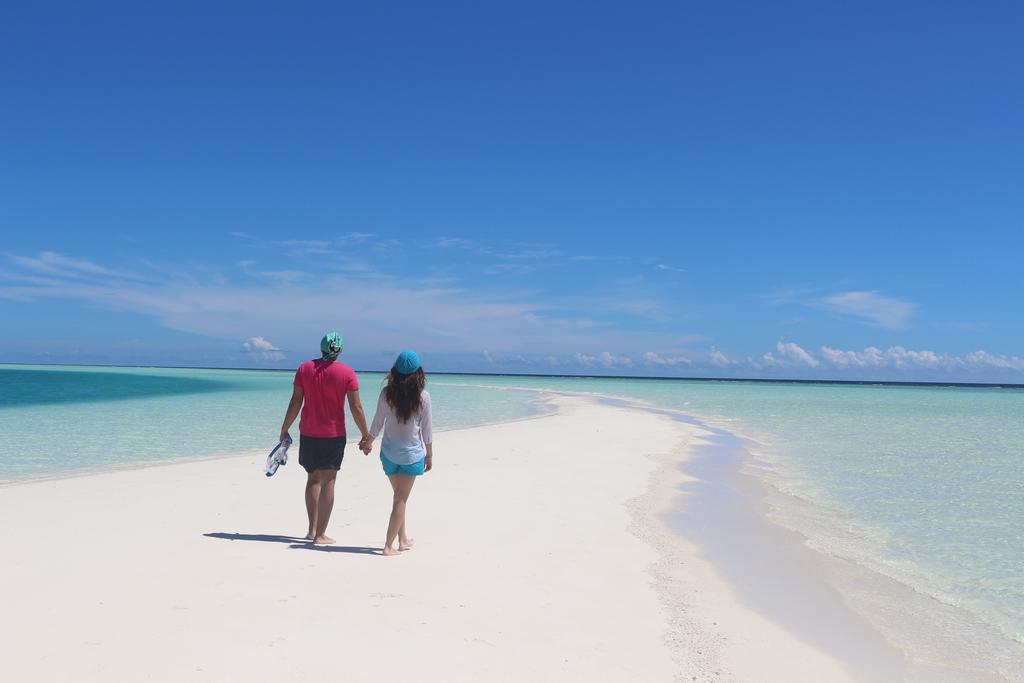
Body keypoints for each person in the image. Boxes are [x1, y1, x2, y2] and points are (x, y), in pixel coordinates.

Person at [280, 332, 370, 545]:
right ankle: (320, 534)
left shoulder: (304, 369)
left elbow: (295, 402)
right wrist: (366, 434)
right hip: (333, 434)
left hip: (309, 432)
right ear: (339, 350)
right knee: (329, 480)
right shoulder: (347, 373)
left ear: (321, 348)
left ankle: (312, 530)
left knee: (313, 478)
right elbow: (356, 407)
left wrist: (284, 428)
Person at [360, 350, 433, 556]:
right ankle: (388, 546)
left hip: (389, 455)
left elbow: (377, 422)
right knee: (400, 499)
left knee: (398, 498)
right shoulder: (423, 397)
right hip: (410, 457)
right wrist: (429, 454)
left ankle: (402, 539)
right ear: (418, 372)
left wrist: (368, 442)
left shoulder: (386, 394)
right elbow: (427, 430)